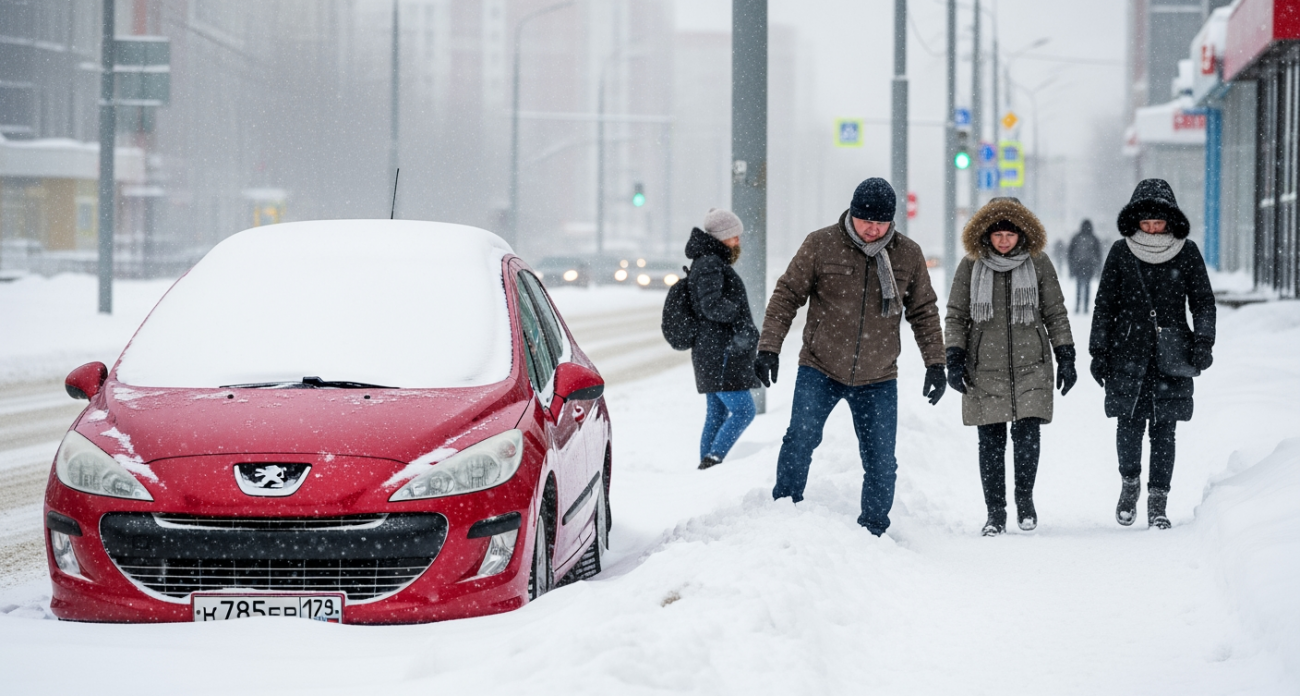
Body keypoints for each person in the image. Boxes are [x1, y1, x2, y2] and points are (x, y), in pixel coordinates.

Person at [755, 177, 947, 536]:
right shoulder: (821, 244)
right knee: (799, 440)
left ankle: (873, 531)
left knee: (881, 460)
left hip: (878, 375)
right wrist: (769, 347)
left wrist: (936, 363)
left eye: (881, 222)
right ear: (852, 214)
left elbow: (924, 311)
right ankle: (783, 515)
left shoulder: (907, 254)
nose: (873, 229)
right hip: (820, 365)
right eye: (866, 220)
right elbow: (787, 295)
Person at [943, 198, 1075, 536]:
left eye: (1010, 235)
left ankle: (1024, 499)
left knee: (1028, 435)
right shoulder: (971, 265)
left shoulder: (1038, 263)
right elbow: (956, 315)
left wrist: (1066, 354)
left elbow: (1055, 312)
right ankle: (995, 512)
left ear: (1022, 234)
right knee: (990, 441)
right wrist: (954, 356)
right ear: (986, 234)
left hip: (1032, 364)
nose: (1004, 241)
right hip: (984, 367)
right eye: (998, 234)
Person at [1090, 179, 1215, 529]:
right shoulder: (1121, 251)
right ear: (1135, 221)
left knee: (1164, 431)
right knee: (1128, 426)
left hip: (1171, 355)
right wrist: (1099, 351)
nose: (1152, 228)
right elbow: (1105, 305)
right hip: (1126, 352)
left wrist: (1203, 342)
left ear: (1170, 220)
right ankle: (1130, 483)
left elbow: (1203, 301)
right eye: (1146, 222)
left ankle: (1158, 502)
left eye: (1158, 222)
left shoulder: (1186, 252)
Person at [686, 208, 761, 470]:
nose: (738, 239)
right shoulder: (710, 263)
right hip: (720, 351)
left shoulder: (708, 261)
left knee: (717, 413)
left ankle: (706, 471)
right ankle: (712, 460)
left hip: (712, 349)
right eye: (733, 235)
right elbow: (711, 305)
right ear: (720, 237)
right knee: (744, 410)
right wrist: (740, 316)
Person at [1067, 219, 1103, 314]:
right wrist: (1098, 268)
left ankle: (1078, 306)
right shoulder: (1094, 238)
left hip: (1078, 265)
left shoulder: (1076, 237)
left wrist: (1071, 267)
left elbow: (1070, 253)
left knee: (1079, 286)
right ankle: (1085, 307)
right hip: (1089, 266)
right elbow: (1098, 255)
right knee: (1087, 287)